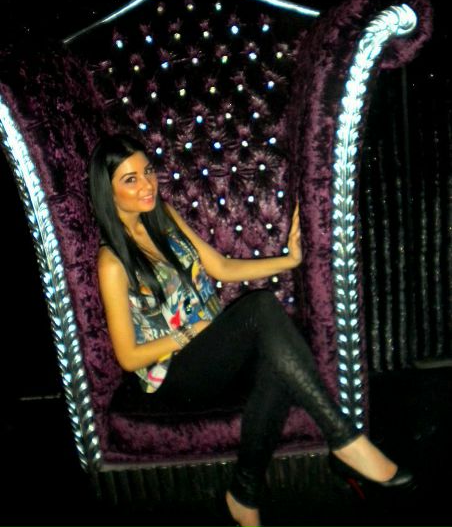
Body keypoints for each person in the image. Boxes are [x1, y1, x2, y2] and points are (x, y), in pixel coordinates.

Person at [88, 133, 414, 527]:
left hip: (211, 352)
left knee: (277, 358)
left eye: (148, 172)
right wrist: (189, 333)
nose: (147, 185)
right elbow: (128, 357)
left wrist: (289, 261)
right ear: (108, 191)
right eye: (131, 179)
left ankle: (243, 494)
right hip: (171, 375)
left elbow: (221, 267)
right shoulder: (112, 262)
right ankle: (344, 440)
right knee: (261, 308)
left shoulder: (163, 217)